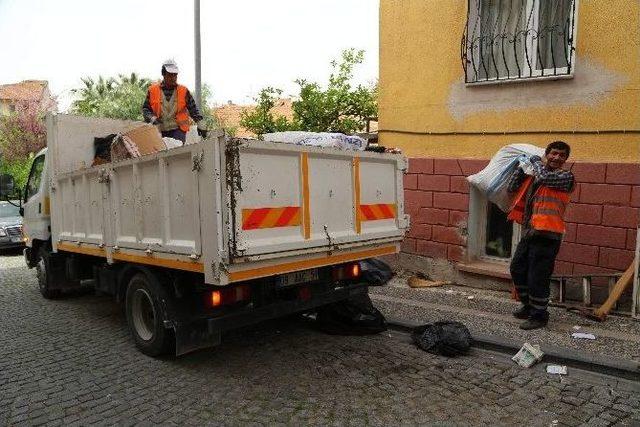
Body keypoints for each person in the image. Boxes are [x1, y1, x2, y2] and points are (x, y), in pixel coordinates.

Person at [507, 141, 575, 330]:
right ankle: (528, 306)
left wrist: (536, 162)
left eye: (561, 155)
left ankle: (539, 315)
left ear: (565, 159)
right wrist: (522, 168)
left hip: (549, 235)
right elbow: (512, 187)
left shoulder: (565, 176)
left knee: (538, 276)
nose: (557, 158)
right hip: (530, 232)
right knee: (517, 268)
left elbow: (545, 177)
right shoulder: (534, 174)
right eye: (553, 153)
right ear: (548, 154)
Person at [142, 59, 207, 143]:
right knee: (161, 153)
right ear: (163, 74)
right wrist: (153, 119)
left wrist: (201, 124)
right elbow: (145, 110)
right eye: (170, 75)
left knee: (177, 151)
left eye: (175, 75)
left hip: (178, 130)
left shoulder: (184, 91)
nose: (173, 78)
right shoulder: (152, 90)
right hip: (159, 130)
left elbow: (193, 110)